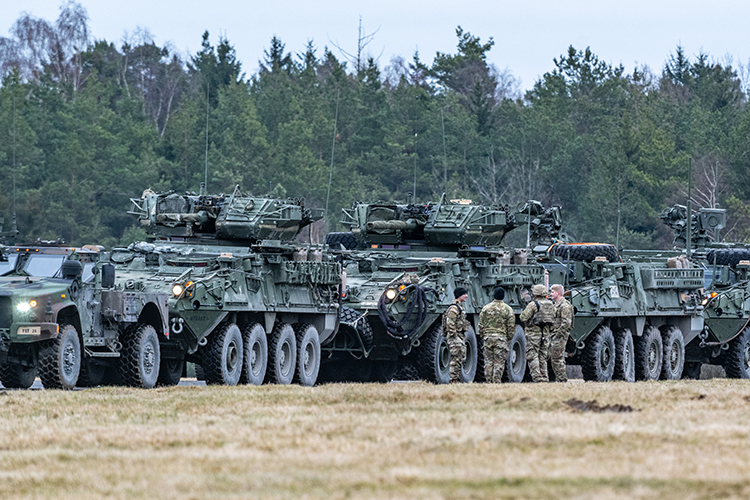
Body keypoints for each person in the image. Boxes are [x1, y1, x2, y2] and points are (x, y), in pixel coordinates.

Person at [478, 286, 516, 383]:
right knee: (499, 362)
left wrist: (484, 336)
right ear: (503, 296)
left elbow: (480, 325)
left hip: (488, 338)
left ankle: (489, 381)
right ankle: (496, 381)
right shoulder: (508, 309)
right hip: (501, 339)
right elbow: (511, 327)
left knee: (488, 362)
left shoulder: (485, 308)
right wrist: (508, 339)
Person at [519, 284, 553, 382]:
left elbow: (523, 317)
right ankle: (544, 377)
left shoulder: (534, 304)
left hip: (533, 334)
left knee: (532, 356)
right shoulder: (550, 304)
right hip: (545, 335)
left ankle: (537, 378)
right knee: (542, 357)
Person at [444, 287, 470, 383]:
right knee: (455, 359)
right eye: (464, 294)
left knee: (459, 358)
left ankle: (455, 379)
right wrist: (454, 336)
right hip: (455, 336)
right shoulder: (454, 308)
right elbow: (450, 323)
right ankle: (453, 380)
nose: (466, 296)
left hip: (458, 335)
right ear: (460, 295)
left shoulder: (459, 307)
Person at [548, 284, 574, 382]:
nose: (550, 294)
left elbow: (567, 323)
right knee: (556, 358)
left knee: (557, 359)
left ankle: (562, 380)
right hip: (555, 335)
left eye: (552, 292)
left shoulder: (564, 306)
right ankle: (559, 379)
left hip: (559, 336)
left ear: (558, 293)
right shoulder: (557, 304)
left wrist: (557, 333)